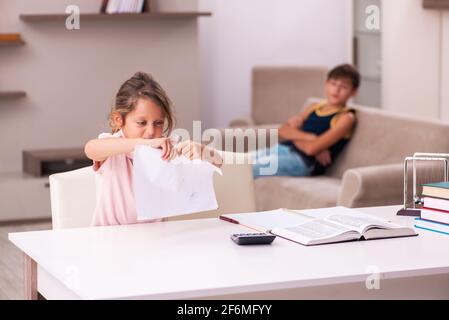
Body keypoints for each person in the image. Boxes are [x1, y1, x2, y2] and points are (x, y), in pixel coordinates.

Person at [84, 72, 222, 226]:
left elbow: (218, 162)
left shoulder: (166, 147)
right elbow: (91, 149)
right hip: (109, 239)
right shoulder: (113, 147)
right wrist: (141, 144)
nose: (150, 131)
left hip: (155, 237)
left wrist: (201, 150)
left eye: (157, 123)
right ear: (119, 120)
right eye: (141, 123)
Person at [251, 64, 360, 178]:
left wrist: (300, 138)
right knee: (235, 162)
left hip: (302, 161)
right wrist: (312, 138)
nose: (336, 90)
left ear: (353, 92)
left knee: (249, 169)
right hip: (282, 148)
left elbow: (311, 149)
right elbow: (282, 130)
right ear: (326, 84)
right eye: (333, 84)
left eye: (343, 87)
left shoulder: (346, 117)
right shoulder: (316, 107)